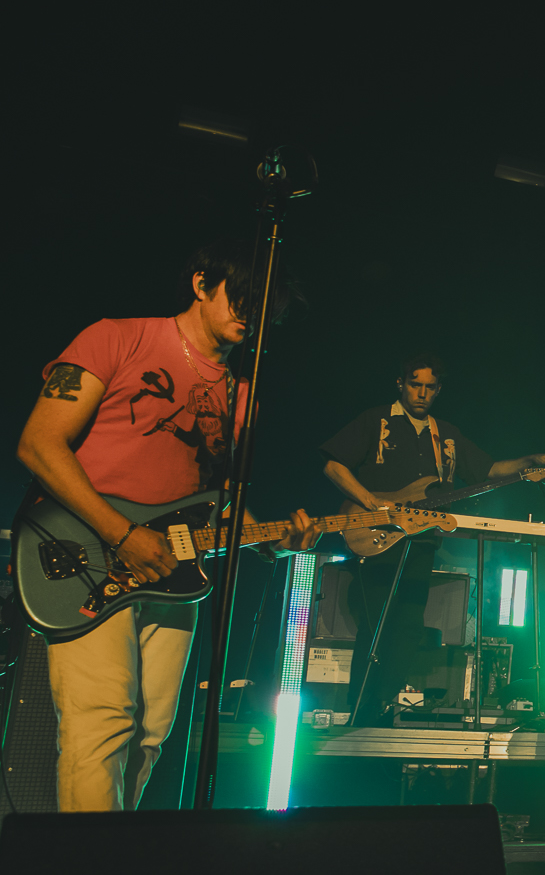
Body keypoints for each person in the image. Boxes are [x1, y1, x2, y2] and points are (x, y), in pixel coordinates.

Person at [14, 240, 321, 811]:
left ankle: (116, 866)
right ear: (202, 283)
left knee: (151, 733)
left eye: (265, 310)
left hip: (175, 567)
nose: (251, 316)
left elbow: (220, 497)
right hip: (87, 550)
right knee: (103, 720)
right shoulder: (116, 337)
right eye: (242, 298)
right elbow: (38, 444)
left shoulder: (242, 393)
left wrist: (271, 540)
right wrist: (122, 534)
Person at [316, 356, 545, 718]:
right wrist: (372, 502)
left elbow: (488, 470)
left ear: (439, 390)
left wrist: (528, 461)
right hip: (376, 534)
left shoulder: (445, 434)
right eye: (416, 385)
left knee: (410, 626)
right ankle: (361, 710)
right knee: (377, 624)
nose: (422, 393)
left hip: (422, 542)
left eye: (430, 387)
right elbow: (333, 464)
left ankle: (382, 707)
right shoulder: (375, 420)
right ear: (400, 383)